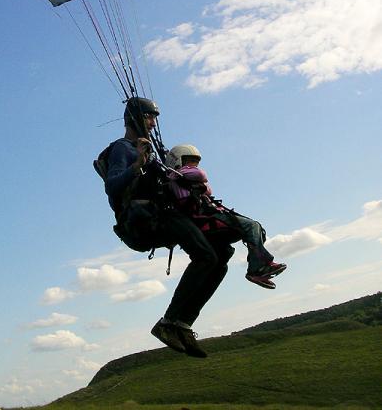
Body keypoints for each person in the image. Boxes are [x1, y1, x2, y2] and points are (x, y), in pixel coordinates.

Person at [104, 97, 234, 358]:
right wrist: (137, 165)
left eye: (154, 119)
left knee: (222, 254)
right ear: (133, 119)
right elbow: (112, 185)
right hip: (144, 221)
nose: (153, 123)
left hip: (168, 214)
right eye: (149, 117)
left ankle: (182, 324)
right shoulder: (123, 149)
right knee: (206, 255)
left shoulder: (153, 149)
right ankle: (169, 323)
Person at [166, 144, 287, 289]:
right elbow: (201, 176)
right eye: (190, 161)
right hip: (203, 219)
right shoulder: (176, 176)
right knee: (251, 226)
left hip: (209, 216)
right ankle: (256, 269)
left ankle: (261, 266)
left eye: (196, 162)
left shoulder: (185, 178)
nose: (194, 165)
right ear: (178, 161)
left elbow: (207, 189)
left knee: (257, 228)